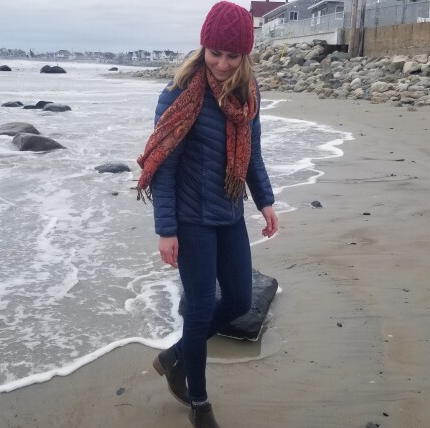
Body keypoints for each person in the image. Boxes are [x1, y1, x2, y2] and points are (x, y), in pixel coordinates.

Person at [135, 2, 278, 427]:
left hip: (230, 213)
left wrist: (265, 201)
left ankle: (177, 354)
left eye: (232, 56)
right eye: (216, 52)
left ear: (245, 56)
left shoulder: (248, 93)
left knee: (237, 300)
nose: (222, 62)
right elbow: (162, 168)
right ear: (204, 46)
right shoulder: (178, 96)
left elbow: (251, 155)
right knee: (198, 311)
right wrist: (166, 230)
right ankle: (199, 402)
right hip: (192, 219)